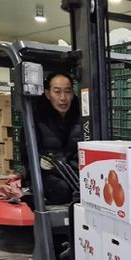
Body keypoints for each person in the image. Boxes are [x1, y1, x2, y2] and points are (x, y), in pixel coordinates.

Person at [32, 72, 82, 205]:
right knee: (63, 190)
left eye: (67, 91)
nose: (63, 98)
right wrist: (39, 160)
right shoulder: (37, 119)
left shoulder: (82, 117)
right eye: (57, 92)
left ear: (73, 94)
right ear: (48, 94)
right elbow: (26, 152)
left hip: (72, 172)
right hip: (46, 174)